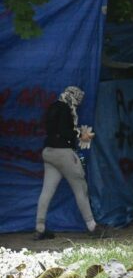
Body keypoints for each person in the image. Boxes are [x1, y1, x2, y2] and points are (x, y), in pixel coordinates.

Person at [35, 86, 102, 239]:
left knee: (47, 191)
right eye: (78, 99)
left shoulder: (52, 107)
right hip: (64, 153)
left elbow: (54, 129)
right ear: (73, 97)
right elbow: (65, 131)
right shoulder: (66, 109)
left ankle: (39, 228)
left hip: (48, 152)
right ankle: (92, 227)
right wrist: (81, 134)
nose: (78, 103)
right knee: (81, 188)